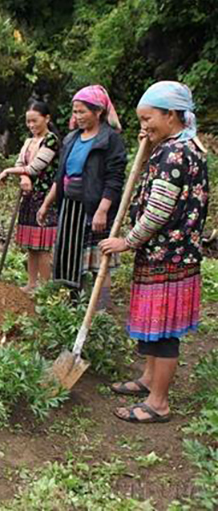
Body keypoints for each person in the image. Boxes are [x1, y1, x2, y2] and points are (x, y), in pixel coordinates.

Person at [100, 82, 209, 424]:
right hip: (165, 254)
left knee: (164, 331)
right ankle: (149, 380)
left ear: (171, 115)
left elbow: (159, 210)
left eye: (148, 119)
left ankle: (158, 402)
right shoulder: (176, 147)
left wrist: (127, 241)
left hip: (169, 255)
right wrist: (148, 151)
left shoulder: (176, 154)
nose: (143, 126)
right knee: (157, 324)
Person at [38, 85, 127, 308]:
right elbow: (62, 175)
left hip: (94, 207)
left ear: (98, 112)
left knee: (98, 258)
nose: (77, 117)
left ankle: (101, 309)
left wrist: (102, 210)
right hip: (70, 208)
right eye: (75, 112)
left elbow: (114, 179)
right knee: (70, 257)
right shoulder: (71, 139)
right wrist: (47, 204)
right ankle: (74, 305)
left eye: (82, 112)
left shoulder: (109, 140)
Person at [0, 100, 60, 293]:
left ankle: (45, 288)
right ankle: (31, 283)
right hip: (28, 196)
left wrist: (10, 171)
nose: (32, 126)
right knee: (31, 245)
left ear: (47, 118)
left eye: (35, 121)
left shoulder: (51, 140)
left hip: (44, 196)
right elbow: (22, 163)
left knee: (42, 246)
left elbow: (36, 167)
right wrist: (23, 176)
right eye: (28, 122)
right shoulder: (28, 141)